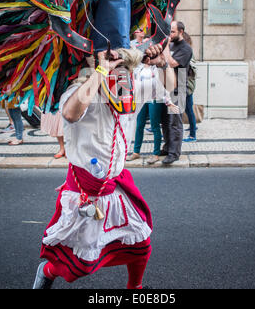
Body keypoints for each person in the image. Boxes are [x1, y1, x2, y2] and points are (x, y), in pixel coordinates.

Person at [33, 44, 176, 290]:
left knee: (140, 246)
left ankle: (135, 288)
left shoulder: (127, 92)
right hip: (85, 192)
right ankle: (46, 272)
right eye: (116, 69)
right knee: (79, 265)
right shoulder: (79, 90)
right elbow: (69, 113)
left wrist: (163, 62)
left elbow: (171, 87)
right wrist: (101, 70)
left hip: (116, 187)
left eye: (125, 70)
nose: (122, 76)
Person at [127, 65, 179, 165]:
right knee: (139, 125)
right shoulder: (139, 68)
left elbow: (161, 86)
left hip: (155, 99)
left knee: (154, 126)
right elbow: (134, 83)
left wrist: (167, 100)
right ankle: (136, 152)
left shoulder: (156, 68)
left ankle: (155, 154)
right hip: (141, 99)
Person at [161, 21, 193, 164]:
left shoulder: (186, 48)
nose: (170, 34)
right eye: (169, 31)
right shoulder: (172, 44)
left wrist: (166, 45)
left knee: (175, 121)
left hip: (178, 89)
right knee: (165, 121)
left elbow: (172, 62)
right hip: (166, 87)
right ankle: (168, 147)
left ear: (181, 32)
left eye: (172, 32)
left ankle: (174, 153)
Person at [183, 32, 197, 143]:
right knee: (188, 110)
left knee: (189, 110)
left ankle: (192, 135)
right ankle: (193, 128)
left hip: (186, 87)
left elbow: (190, 69)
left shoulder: (188, 52)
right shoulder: (186, 51)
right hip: (184, 85)